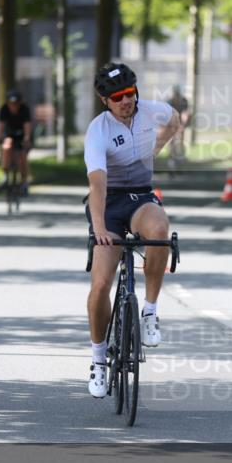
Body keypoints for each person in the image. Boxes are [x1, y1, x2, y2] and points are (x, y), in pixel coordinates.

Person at [84, 63, 182, 398]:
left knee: (159, 228)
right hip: (108, 204)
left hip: (139, 197)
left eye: (129, 94)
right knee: (100, 285)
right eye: (117, 97)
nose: (125, 101)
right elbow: (97, 184)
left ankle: (150, 312)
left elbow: (175, 120)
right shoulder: (98, 130)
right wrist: (99, 228)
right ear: (104, 100)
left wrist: (157, 147)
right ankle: (98, 359)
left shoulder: (151, 111)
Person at [0, 89, 33, 194]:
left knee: (22, 157)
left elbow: (27, 126)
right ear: (7, 103)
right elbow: (1, 126)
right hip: (10, 135)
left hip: (22, 136)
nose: (14, 106)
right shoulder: (4, 109)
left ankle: (24, 181)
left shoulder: (25, 110)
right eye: (11, 104)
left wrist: (26, 139)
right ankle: (6, 175)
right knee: (6, 146)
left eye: (16, 104)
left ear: (20, 103)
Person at [166, 85, 190, 177]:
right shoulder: (169, 102)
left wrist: (182, 126)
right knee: (172, 147)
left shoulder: (183, 101)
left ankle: (180, 168)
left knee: (180, 146)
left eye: (177, 95)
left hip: (180, 125)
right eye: (175, 95)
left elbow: (185, 114)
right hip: (171, 125)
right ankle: (171, 169)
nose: (176, 97)